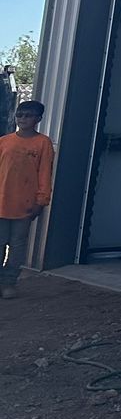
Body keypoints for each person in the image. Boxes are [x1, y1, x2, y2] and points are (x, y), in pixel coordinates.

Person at [0, 100, 53, 299]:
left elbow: (45, 173)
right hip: (1, 203)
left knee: (17, 246)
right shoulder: (4, 141)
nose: (23, 119)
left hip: (25, 206)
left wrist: (41, 201)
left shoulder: (43, 143)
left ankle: (8, 282)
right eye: (20, 115)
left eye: (28, 115)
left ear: (38, 119)